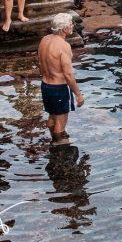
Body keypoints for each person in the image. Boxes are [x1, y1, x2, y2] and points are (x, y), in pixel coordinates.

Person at [38, 13, 84, 146]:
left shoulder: (44, 40)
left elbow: (41, 64)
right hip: (59, 88)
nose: (72, 26)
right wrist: (78, 95)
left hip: (45, 85)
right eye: (71, 24)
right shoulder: (64, 46)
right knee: (61, 121)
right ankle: (60, 145)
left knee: (52, 115)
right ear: (64, 29)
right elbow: (68, 75)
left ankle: (54, 138)